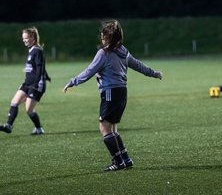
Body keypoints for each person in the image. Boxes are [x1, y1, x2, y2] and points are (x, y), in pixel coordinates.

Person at [63, 19, 163, 171]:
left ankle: (118, 162)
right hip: (122, 92)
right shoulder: (123, 51)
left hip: (110, 92)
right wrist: (153, 73)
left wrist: (73, 81)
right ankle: (126, 159)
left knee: (104, 127)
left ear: (109, 38)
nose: (102, 39)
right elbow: (137, 64)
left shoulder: (103, 53)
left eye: (104, 36)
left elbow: (89, 71)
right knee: (113, 128)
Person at [0, 26, 50, 135]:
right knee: (14, 101)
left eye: (26, 38)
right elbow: (39, 67)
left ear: (32, 38)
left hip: (36, 84)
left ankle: (39, 129)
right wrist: (47, 75)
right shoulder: (31, 50)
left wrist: (38, 81)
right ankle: (8, 126)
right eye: (23, 38)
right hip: (27, 83)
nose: (24, 40)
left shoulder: (37, 51)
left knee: (29, 109)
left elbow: (40, 67)